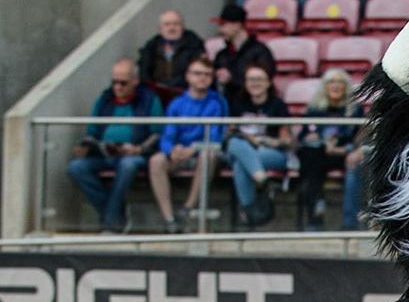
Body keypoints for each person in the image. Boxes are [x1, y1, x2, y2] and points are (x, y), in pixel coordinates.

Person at [67, 57, 160, 232]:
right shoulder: (104, 98)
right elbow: (92, 130)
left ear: (135, 80)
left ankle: (110, 223)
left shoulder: (149, 99)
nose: (117, 87)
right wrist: (86, 146)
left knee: (128, 165)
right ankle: (116, 214)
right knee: (76, 167)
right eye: (114, 82)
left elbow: (158, 132)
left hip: (135, 154)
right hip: (105, 153)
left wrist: (139, 148)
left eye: (123, 83)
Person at [149, 57, 228, 233]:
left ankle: (188, 208)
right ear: (188, 76)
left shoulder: (218, 103)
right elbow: (167, 136)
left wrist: (194, 148)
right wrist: (171, 151)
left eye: (207, 75)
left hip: (202, 153)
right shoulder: (177, 104)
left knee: (207, 155)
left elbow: (216, 138)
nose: (202, 78)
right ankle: (169, 219)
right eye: (198, 74)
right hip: (180, 154)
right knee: (156, 160)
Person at [295, 67, 365, 230]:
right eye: (331, 82)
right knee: (310, 158)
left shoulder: (355, 110)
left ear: (346, 87)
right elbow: (303, 137)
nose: (335, 86)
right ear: (324, 87)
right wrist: (314, 139)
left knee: (356, 166)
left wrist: (349, 149)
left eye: (340, 82)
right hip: (321, 154)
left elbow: (362, 136)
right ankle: (315, 218)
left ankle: (350, 224)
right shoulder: (314, 109)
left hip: (347, 153)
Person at [226, 62, 293, 229]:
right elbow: (230, 134)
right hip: (242, 148)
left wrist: (263, 141)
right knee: (235, 145)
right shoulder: (237, 103)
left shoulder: (277, 105)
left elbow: (286, 140)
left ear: (268, 82)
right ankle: (262, 179)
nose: (255, 83)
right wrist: (249, 138)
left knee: (240, 164)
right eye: (251, 79)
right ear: (245, 83)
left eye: (259, 79)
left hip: (271, 152)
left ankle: (248, 213)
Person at [138, 10, 208, 102]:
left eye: (176, 24)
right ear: (160, 29)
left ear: (183, 27)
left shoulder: (195, 47)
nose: (171, 28)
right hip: (156, 98)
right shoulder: (150, 48)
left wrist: (167, 86)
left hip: (186, 98)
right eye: (167, 24)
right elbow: (144, 74)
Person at [212, 2, 276, 92]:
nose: (219, 30)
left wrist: (232, 79)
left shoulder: (260, 51)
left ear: (237, 25)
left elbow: (264, 81)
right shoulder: (221, 55)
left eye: (223, 24)